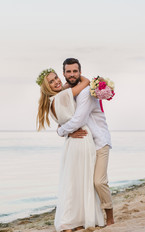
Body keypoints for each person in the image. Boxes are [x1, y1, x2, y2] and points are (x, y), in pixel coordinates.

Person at [36, 68, 105, 231]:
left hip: (71, 143)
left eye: (56, 78)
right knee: (82, 181)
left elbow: (61, 125)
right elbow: (87, 82)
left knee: (73, 182)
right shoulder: (63, 96)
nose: (57, 81)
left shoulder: (52, 101)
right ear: (46, 87)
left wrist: (63, 130)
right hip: (81, 140)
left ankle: (75, 219)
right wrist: (75, 76)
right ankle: (69, 222)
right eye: (51, 81)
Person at [57, 58, 114, 226]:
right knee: (85, 184)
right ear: (64, 74)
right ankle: (86, 217)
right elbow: (64, 117)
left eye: (75, 71)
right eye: (69, 71)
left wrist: (61, 131)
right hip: (86, 144)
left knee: (99, 181)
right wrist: (66, 131)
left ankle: (110, 216)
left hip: (100, 142)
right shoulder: (70, 93)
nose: (72, 74)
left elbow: (78, 120)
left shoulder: (86, 92)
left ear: (80, 72)